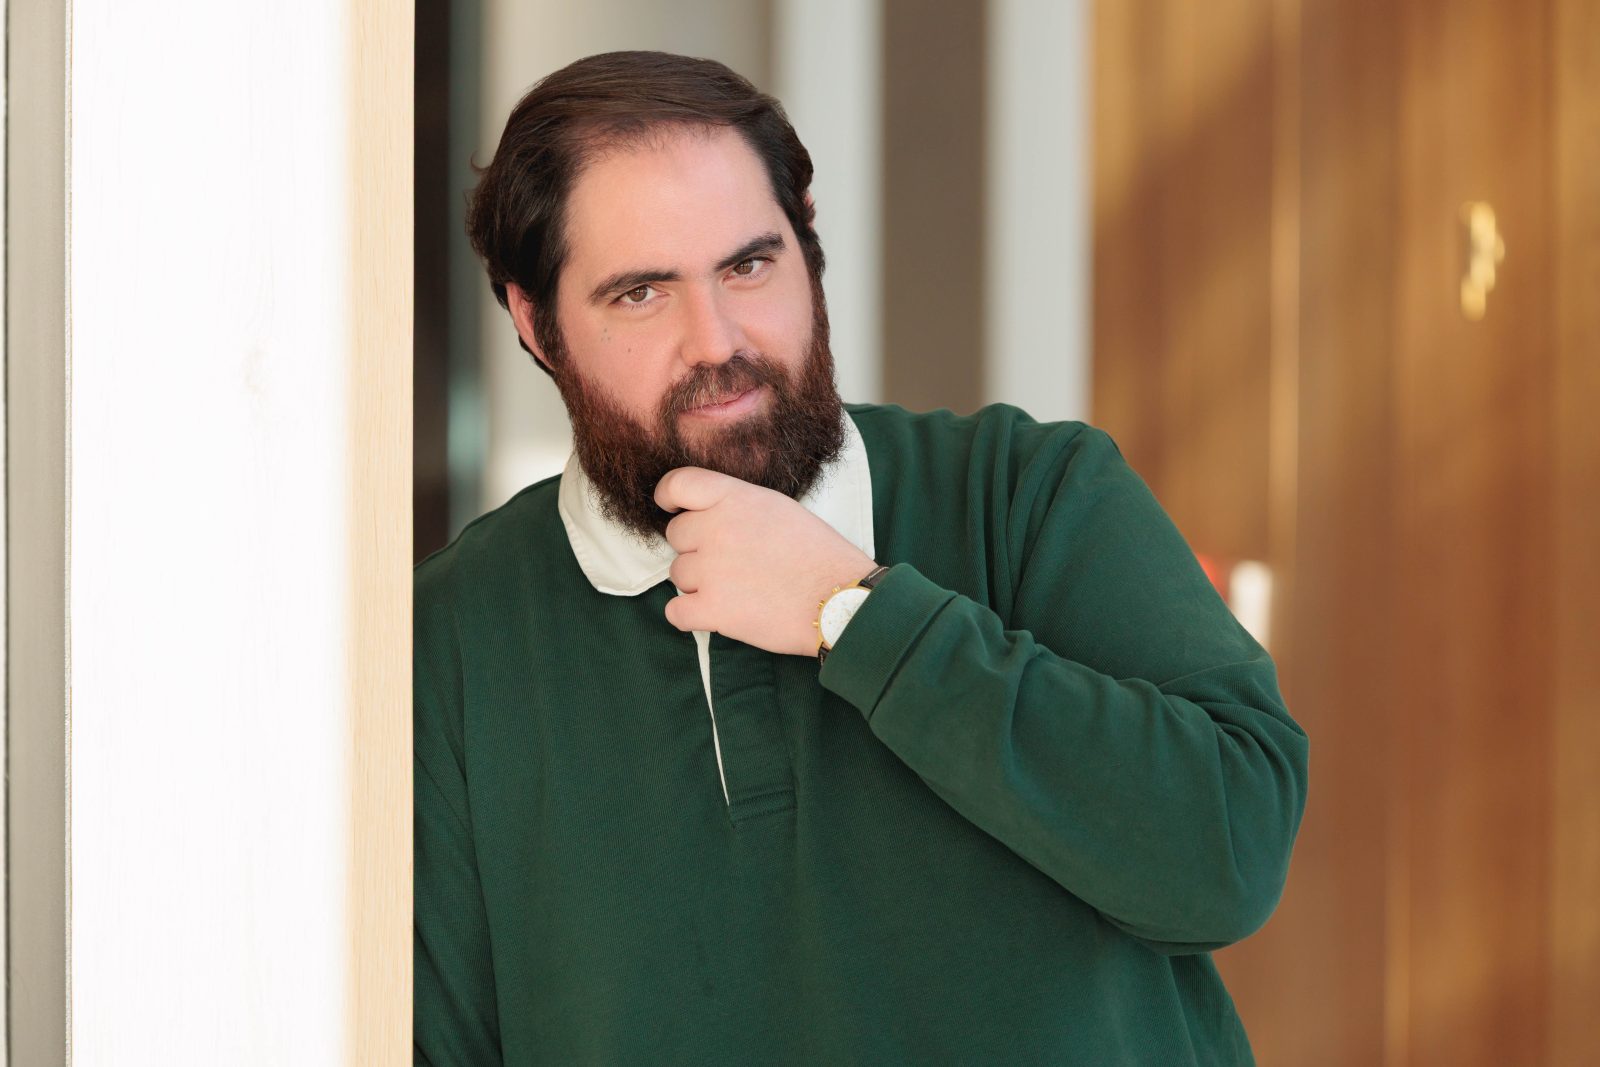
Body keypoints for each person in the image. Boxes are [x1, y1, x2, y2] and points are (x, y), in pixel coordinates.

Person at [415, 49, 1308, 1066]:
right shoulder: (449, 640)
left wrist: (854, 611)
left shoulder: (1029, 492)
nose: (717, 341)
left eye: (748, 266)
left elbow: (1229, 858)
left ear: (806, 236)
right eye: (642, 293)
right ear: (536, 323)